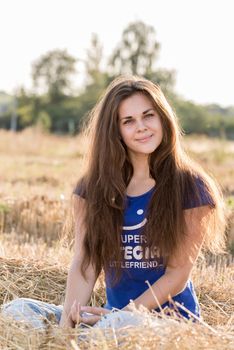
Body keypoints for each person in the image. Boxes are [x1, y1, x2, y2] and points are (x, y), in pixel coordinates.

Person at [1, 75, 226, 330]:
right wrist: (67, 326)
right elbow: (85, 263)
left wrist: (119, 317)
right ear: (115, 130)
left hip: (169, 326)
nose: (141, 126)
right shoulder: (92, 189)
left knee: (111, 329)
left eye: (148, 115)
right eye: (128, 121)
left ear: (163, 118)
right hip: (112, 319)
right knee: (17, 311)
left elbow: (177, 275)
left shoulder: (192, 187)